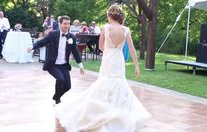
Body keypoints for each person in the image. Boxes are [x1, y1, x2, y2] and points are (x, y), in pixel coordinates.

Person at [54, 4, 151, 132]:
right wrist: (137, 66)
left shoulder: (105, 27)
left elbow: (100, 46)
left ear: (110, 15)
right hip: (119, 60)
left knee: (104, 83)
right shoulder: (126, 30)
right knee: (119, 83)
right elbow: (132, 49)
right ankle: (118, 115)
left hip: (108, 59)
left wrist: (109, 52)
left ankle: (103, 112)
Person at [28, 15, 84, 105]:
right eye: (65, 23)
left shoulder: (71, 37)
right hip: (53, 65)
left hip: (64, 65)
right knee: (61, 80)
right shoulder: (53, 34)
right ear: (60, 24)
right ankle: (57, 101)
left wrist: (80, 65)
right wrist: (32, 47)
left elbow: (75, 51)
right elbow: (42, 41)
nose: (67, 26)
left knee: (68, 86)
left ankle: (56, 97)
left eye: (68, 24)